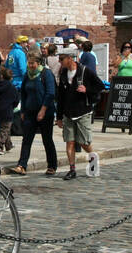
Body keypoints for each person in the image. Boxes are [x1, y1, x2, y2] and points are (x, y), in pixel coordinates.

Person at [55, 51, 103, 180]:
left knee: (83, 142)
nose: (59, 61)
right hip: (68, 113)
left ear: (70, 58)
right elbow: (61, 97)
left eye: (61, 59)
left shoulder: (85, 71)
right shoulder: (64, 73)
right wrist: (59, 117)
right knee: (69, 142)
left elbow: (100, 86)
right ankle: (72, 169)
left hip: (83, 112)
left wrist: (87, 90)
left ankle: (93, 157)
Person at [11, 53, 57, 176]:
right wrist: (23, 111)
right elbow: (24, 93)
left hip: (45, 112)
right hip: (30, 112)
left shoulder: (46, 74)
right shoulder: (27, 75)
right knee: (26, 139)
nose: (30, 66)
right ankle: (22, 165)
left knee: (47, 139)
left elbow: (50, 93)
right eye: (29, 63)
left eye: (33, 63)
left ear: (38, 63)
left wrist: (43, 110)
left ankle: (52, 165)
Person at [0, 66, 20, 154]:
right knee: (5, 128)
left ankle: (8, 145)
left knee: (5, 128)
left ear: (2, 76)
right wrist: (13, 106)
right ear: (11, 77)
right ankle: (0, 146)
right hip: (8, 110)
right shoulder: (12, 88)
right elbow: (16, 100)